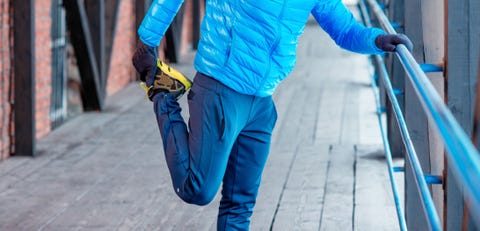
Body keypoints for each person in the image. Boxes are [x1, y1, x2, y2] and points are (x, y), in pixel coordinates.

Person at [132, 0, 412, 230]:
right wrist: (148, 41)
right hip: (221, 85)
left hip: (262, 103)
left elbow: (345, 31)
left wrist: (379, 40)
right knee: (197, 188)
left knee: (239, 205)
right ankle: (162, 93)